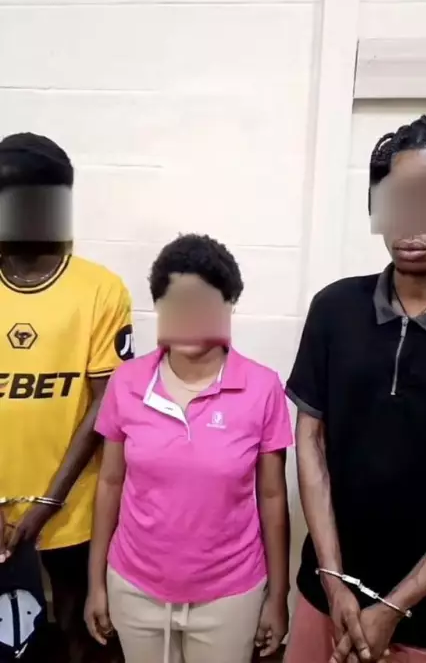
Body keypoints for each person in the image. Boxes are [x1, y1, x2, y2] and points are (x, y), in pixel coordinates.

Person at [284, 115, 426, 663]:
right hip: (325, 600)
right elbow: (311, 444)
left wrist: (393, 606)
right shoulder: (334, 309)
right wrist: (333, 582)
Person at [85, 233, 293, 663]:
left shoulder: (262, 387)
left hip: (230, 594)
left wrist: (278, 594)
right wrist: (96, 583)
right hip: (134, 587)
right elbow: (109, 483)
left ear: (229, 305)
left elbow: (272, 497)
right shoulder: (127, 382)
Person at [0, 133, 134, 662]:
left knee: (77, 623)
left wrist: (47, 503)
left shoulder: (100, 289)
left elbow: (106, 400)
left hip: (71, 505)